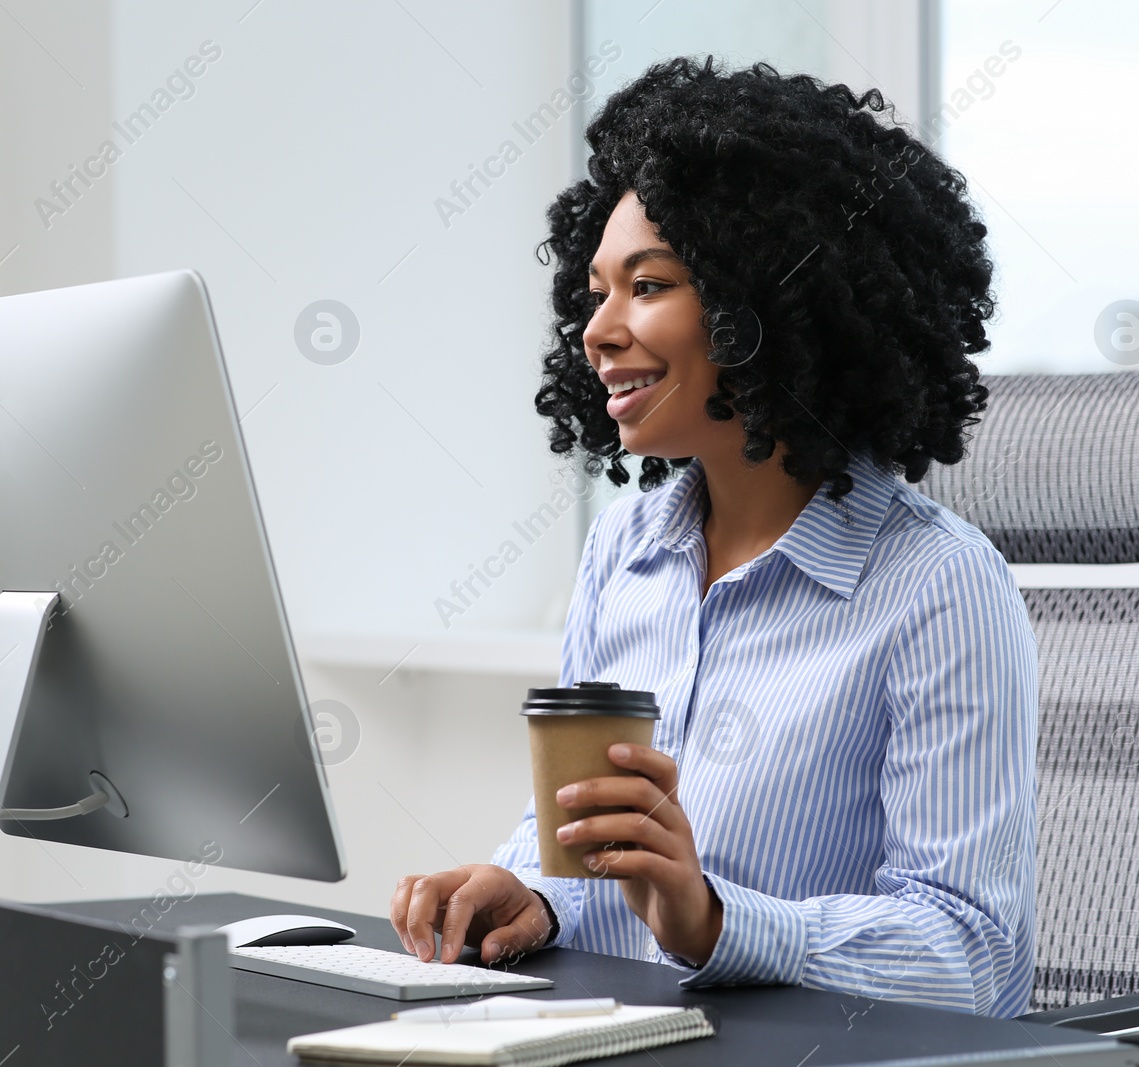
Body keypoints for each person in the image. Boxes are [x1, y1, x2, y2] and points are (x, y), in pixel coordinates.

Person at [389, 56, 1038, 1017]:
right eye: (596, 291)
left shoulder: (936, 586)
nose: (597, 331)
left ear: (768, 303)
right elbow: (574, 840)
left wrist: (718, 921)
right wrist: (531, 893)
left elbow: (975, 957)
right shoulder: (624, 553)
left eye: (647, 285)